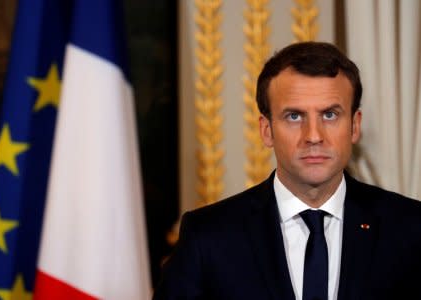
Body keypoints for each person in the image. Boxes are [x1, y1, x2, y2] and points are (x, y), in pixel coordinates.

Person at [153, 42, 421, 300]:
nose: (313, 136)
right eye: (294, 116)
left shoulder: (410, 228)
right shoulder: (208, 236)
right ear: (266, 130)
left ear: (354, 126)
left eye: (329, 115)